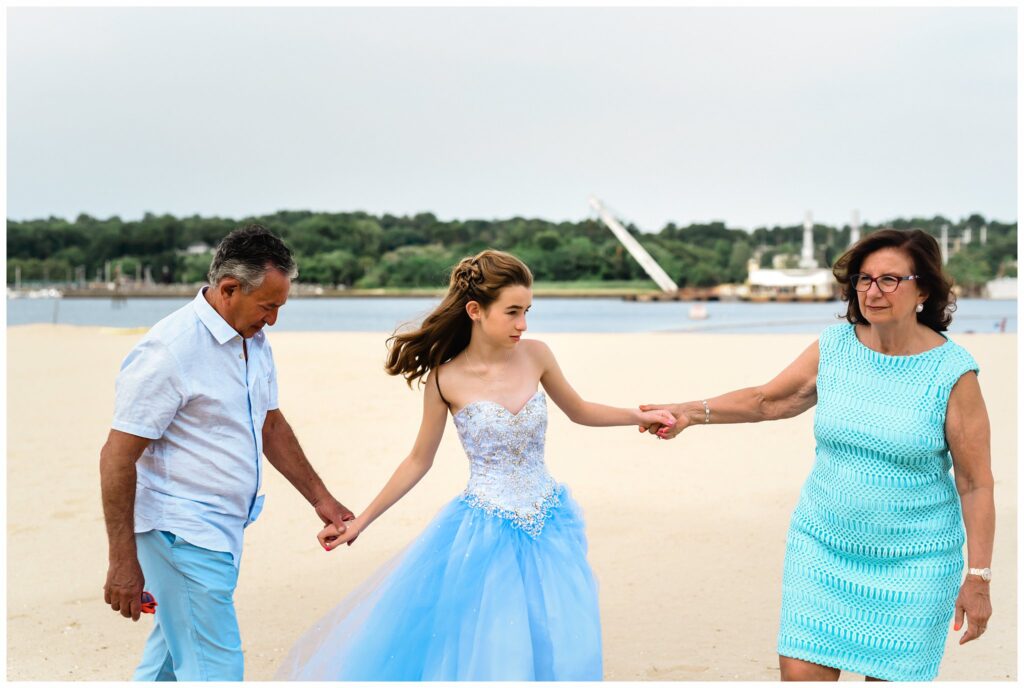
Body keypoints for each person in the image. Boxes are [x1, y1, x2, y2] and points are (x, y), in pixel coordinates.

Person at [276, 249, 675, 681]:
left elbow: (579, 410)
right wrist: (361, 522)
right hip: (486, 532)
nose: (523, 324)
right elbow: (417, 460)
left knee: (559, 641)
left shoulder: (537, 355)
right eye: (513, 312)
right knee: (497, 650)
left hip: (550, 524)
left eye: (527, 311)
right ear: (475, 311)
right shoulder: (445, 379)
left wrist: (639, 415)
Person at [640, 229, 994, 681]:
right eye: (864, 280)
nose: (872, 291)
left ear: (923, 289)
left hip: (915, 565)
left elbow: (975, 482)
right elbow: (768, 400)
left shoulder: (952, 372)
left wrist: (979, 576)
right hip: (822, 551)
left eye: (889, 280)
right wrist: (689, 411)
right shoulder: (836, 346)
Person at [99, 224, 354, 681]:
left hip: (223, 528)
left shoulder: (252, 339)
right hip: (180, 532)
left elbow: (270, 424)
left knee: (167, 668)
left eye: (280, 306)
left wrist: (322, 499)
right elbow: (116, 456)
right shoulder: (169, 351)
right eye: (268, 306)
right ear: (228, 289)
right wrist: (122, 561)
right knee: (216, 669)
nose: (273, 319)